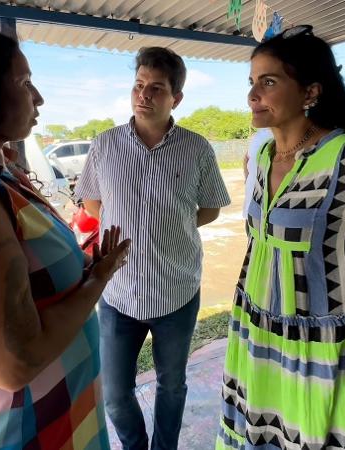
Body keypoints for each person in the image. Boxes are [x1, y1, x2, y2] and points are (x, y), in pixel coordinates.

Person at [0, 26, 130, 449]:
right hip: (6, 430)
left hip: (55, 415)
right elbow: (13, 363)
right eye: (23, 82)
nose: (38, 98)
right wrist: (97, 281)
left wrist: (82, 266)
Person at [216, 25, 345, 450]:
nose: (253, 96)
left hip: (322, 356)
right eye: (252, 82)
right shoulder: (264, 156)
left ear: (310, 92)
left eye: (268, 82)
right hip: (256, 337)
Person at [75, 46, 231, 450]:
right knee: (114, 393)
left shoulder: (197, 148)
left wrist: (169, 226)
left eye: (156, 88)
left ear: (175, 98)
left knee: (172, 385)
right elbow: (92, 202)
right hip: (117, 292)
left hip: (177, 292)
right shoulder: (105, 144)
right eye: (139, 85)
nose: (143, 95)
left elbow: (211, 207)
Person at [242, 128, 272, 218]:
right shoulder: (262, 135)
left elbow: (246, 159)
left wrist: (248, 179)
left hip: (253, 207)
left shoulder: (259, 135)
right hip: (265, 210)